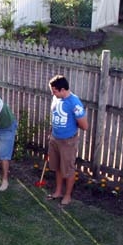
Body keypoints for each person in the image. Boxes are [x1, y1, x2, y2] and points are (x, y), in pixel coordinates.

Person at [47, 75, 88, 206]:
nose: (52, 93)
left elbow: (84, 126)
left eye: (54, 91)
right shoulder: (56, 98)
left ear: (63, 89)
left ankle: (68, 195)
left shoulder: (75, 103)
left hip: (68, 142)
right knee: (58, 167)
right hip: (55, 138)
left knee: (68, 169)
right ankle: (58, 191)